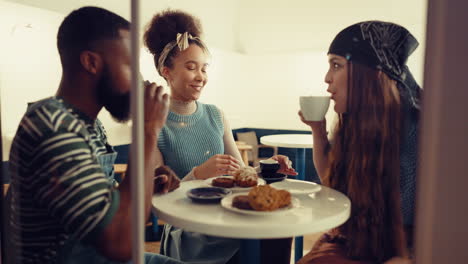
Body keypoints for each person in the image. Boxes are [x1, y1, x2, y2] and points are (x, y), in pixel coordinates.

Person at [7, 6, 182, 264]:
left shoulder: (89, 126)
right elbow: (123, 242)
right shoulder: (53, 125)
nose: (139, 80)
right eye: (129, 66)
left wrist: (147, 181)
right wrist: (147, 130)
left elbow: (103, 205)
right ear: (91, 62)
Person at [143, 9, 298, 264]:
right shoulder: (154, 123)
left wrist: (269, 169)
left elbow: (242, 175)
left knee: (279, 228)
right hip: (190, 228)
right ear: (166, 71)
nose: (200, 77)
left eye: (204, 68)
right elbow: (158, 197)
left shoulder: (216, 115)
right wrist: (197, 174)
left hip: (228, 215)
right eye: (191, 67)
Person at [297, 21, 421, 264]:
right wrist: (318, 131)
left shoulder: (417, 130)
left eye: (337, 65)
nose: (327, 78)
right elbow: (331, 183)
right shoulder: (356, 122)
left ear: (369, 74)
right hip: (361, 241)